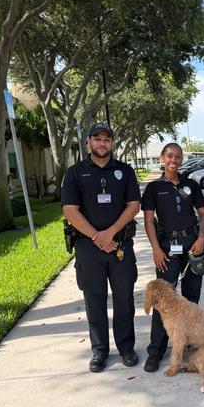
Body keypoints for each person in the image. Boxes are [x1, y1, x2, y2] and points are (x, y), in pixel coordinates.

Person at [61, 122, 141, 372]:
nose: (102, 143)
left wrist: (110, 233)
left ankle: (126, 348)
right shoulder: (75, 173)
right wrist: (98, 237)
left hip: (120, 245)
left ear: (113, 143)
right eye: (97, 139)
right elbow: (70, 210)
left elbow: (134, 205)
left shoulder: (124, 171)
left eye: (107, 139)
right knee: (94, 300)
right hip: (88, 247)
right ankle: (99, 351)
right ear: (88, 142)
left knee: (124, 298)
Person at [141, 143, 204, 373]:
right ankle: (156, 351)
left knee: (191, 299)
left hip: (192, 245)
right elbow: (149, 220)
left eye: (178, 156)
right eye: (170, 155)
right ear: (162, 158)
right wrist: (155, 249)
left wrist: (201, 239)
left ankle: (189, 345)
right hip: (167, 249)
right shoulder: (154, 188)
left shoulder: (191, 184)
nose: (174, 160)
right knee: (163, 302)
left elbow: (202, 213)